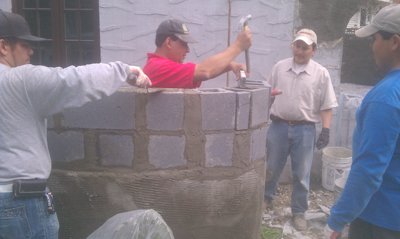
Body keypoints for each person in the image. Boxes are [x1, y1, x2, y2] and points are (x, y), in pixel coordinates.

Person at [0, 10, 151, 239]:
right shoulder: (18, 81)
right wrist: (125, 70)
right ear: (3, 46)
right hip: (19, 206)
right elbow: (73, 80)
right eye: (24, 44)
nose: (31, 51)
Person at [327, 4, 400, 239]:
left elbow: (369, 170)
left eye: (375, 38)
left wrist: (337, 220)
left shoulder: (387, 96)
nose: (372, 46)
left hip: (381, 219)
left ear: (395, 42)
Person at [264, 28, 338, 231]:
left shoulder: (321, 74)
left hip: (305, 131)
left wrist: (326, 130)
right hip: (278, 126)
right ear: (293, 46)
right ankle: (266, 199)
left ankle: (298, 212)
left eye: (304, 47)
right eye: (297, 46)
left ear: (313, 50)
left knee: (302, 174)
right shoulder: (279, 68)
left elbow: (327, 106)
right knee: (271, 167)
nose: (299, 51)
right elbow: (267, 94)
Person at [143, 18, 252, 88]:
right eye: (184, 44)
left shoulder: (160, 66)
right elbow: (204, 71)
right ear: (169, 42)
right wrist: (238, 45)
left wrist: (230, 65)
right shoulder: (159, 68)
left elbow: (199, 72)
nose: (188, 50)